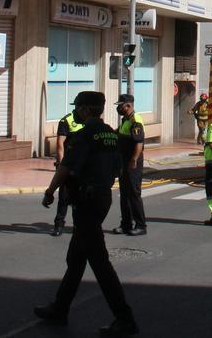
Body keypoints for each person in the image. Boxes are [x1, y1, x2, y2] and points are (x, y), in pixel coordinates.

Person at [36, 91, 138, 337]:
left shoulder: (84, 136)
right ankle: (60, 308)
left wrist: (50, 191)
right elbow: (119, 166)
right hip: (102, 197)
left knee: (99, 263)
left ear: (85, 110)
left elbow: (66, 167)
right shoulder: (112, 135)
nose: (75, 112)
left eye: (77, 107)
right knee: (76, 258)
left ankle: (124, 318)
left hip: (87, 201)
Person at [112, 94, 147, 236]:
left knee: (133, 194)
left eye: (120, 105)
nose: (118, 108)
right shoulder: (125, 119)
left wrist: (133, 160)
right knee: (124, 194)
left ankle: (141, 225)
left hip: (132, 162)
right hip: (123, 161)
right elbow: (119, 134)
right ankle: (126, 224)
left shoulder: (135, 120)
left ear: (128, 105)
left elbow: (139, 143)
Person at [52, 108, 85, 236]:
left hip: (82, 165)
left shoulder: (88, 120)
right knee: (64, 196)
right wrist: (61, 164)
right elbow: (60, 143)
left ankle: (79, 225)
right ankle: (59, 224)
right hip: (69, 164)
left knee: (81, 197)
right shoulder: (67, 120)